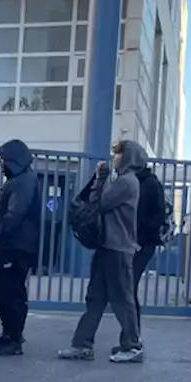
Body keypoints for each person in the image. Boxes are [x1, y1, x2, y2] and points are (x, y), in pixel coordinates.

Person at [59, 141, 146, 363]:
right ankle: (82, 344)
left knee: (122, 299)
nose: (114, 157)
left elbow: (100, 203)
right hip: (109, 247)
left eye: (118, 153)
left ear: (127, 157)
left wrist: (99, 179)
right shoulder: (124, 180)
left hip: (117, 248)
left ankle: (132, 345)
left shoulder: (127, 182)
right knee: (95, 298)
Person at [0, 139, 40, 356]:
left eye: (3, 160)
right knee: (0, 287)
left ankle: (13, 336)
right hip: (12, 244)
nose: (1, 164)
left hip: (14, 246)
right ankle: (11, 332)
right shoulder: (19, 179)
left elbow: (15, 214)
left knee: (9, 291)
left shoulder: (23, 182)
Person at [133, 160, 168, 330]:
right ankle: (132, 336)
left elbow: (157, 215)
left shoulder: (149, 184)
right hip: (137, 241)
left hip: (143, 243)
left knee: (128, 288)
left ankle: (133, 336)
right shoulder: (137, 182)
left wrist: (140, 237)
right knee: (126, 288)